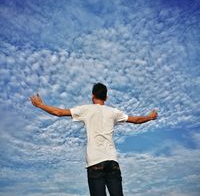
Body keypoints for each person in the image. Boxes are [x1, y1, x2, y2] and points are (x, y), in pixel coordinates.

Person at [30, 83, 158, 196]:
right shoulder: (114, 112)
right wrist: (150, 117)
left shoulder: (86, 109)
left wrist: (41, 105)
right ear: (106, 97)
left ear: (93, 96)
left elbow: (59, 112)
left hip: (95, 163)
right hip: (112, 162)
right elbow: (136, 120)